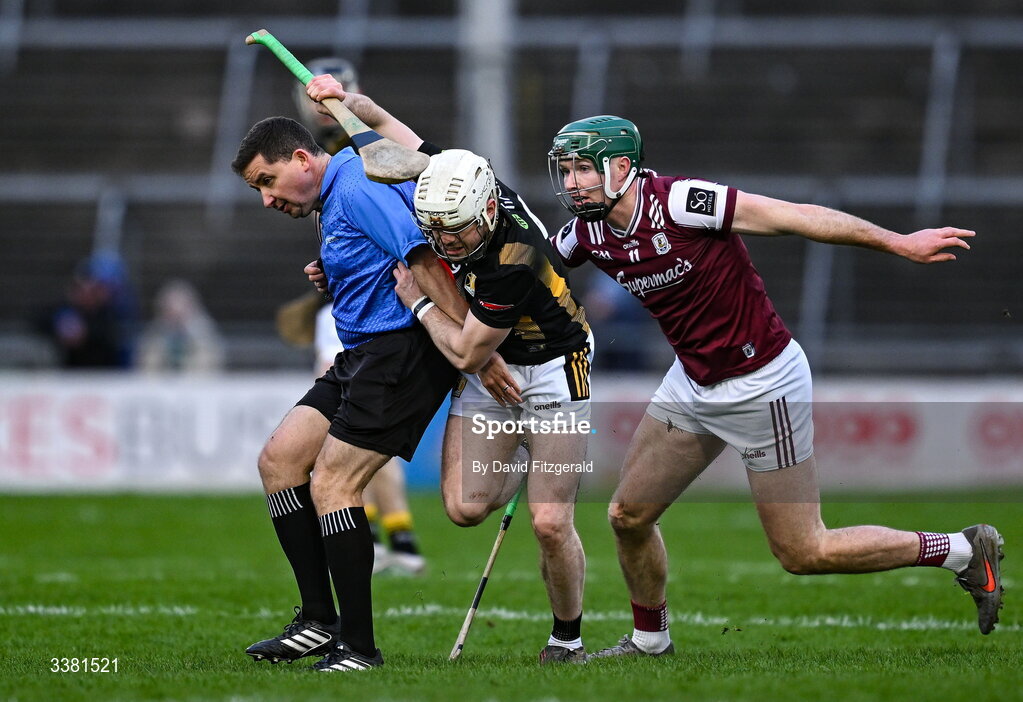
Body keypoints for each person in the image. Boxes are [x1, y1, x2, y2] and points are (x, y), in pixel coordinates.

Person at [545, 115, 1004, 657]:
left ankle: (960, 549)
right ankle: (650, 640)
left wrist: (898, 242)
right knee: (628, 515)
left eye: (583, 169)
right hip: (693, 382)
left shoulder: (682, 202)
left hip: (763, 383)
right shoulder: (584, 233)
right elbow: (523, 272)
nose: (572, 182)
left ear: (622, 167)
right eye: (566, 170)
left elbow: (799, 217)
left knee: (803, 550)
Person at [306, 75, 595, 664]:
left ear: (488, 209)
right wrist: (344, 100)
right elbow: (388, 134)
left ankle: (566, 635)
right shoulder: (450, 179)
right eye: (436, 230)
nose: (448, 242)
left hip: (554, 368)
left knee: (548, 523)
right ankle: (542, 463)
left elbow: (466, 351)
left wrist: (416, 299)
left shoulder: (511, 259)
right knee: (464, 510)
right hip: (494, 367)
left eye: (458, 230)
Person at [231, 104, 516, 671]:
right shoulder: (334, 193)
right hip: (362, 354)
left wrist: (476, 352)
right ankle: (317, 622)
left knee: (334, 484)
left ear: (302, 159)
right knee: (280, 462)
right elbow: (379, 250)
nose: (266, 199)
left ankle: (358, 648)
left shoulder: (358, 184)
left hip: (402, 353)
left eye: (267, 181)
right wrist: (332, 266)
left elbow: (425, 261)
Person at [290, 57, 427, 577]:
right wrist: (329, 272)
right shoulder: (310, 156)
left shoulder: (362, 143)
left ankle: (387, 538)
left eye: (334, 92)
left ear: (354, 93)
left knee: (350, 437)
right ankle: (391, 538)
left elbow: (403, 230)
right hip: (348, 302)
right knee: (347, 439)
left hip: (386, 310)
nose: (322, 102)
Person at [138, 279, 224, 373]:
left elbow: (211, 365)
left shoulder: (205, 335)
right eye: (170, 312)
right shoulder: (154, 335)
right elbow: (147, 367)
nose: (176, 318)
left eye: (181, 313)